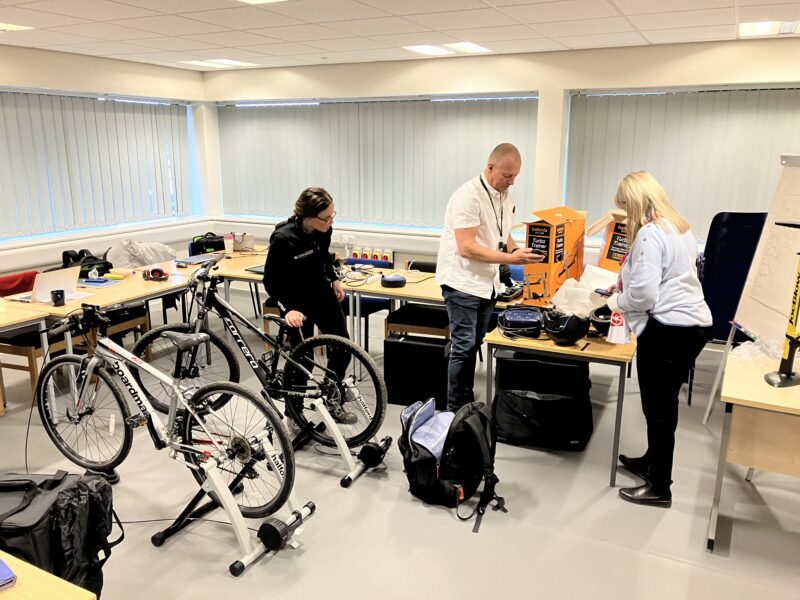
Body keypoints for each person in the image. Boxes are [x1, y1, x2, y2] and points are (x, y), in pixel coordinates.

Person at [608, 171, 712, 507]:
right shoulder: (678, 227)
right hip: (691, 327)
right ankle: (652, 461)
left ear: (636, 204)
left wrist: (616, 301)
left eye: (625, 209)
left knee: (659, 408)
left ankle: (659, 486)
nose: (624, 216)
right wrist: (624, 283)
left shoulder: (651, 234)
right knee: (663, 402)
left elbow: (644, 294)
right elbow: (666, 277)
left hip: (669, 331)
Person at [435, 143, 544, 411]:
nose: (512, 181)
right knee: (462, 347)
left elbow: (501, 236)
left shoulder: (505, 197)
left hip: (487, 284)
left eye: (516, 175)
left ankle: (466, 403)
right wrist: (511, 259)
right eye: (507, 175)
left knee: (474, 345)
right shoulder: (468, 197)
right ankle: (454, 411)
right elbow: (467, 247)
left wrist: (519, 250)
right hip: (462, 282)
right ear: (490, 166)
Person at [262, 186, 355, 424]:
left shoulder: (323, 229)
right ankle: (294, 413)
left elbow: (323, 255)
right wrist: (287, 308)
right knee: (303, 357)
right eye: (326, 217)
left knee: (343, 346)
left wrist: (334, 279)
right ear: (309, 216)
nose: (331, 221)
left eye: (333, 215)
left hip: (321, 292)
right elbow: (270, 281)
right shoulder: (283, 238)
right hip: (295, 301)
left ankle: (331, 397)